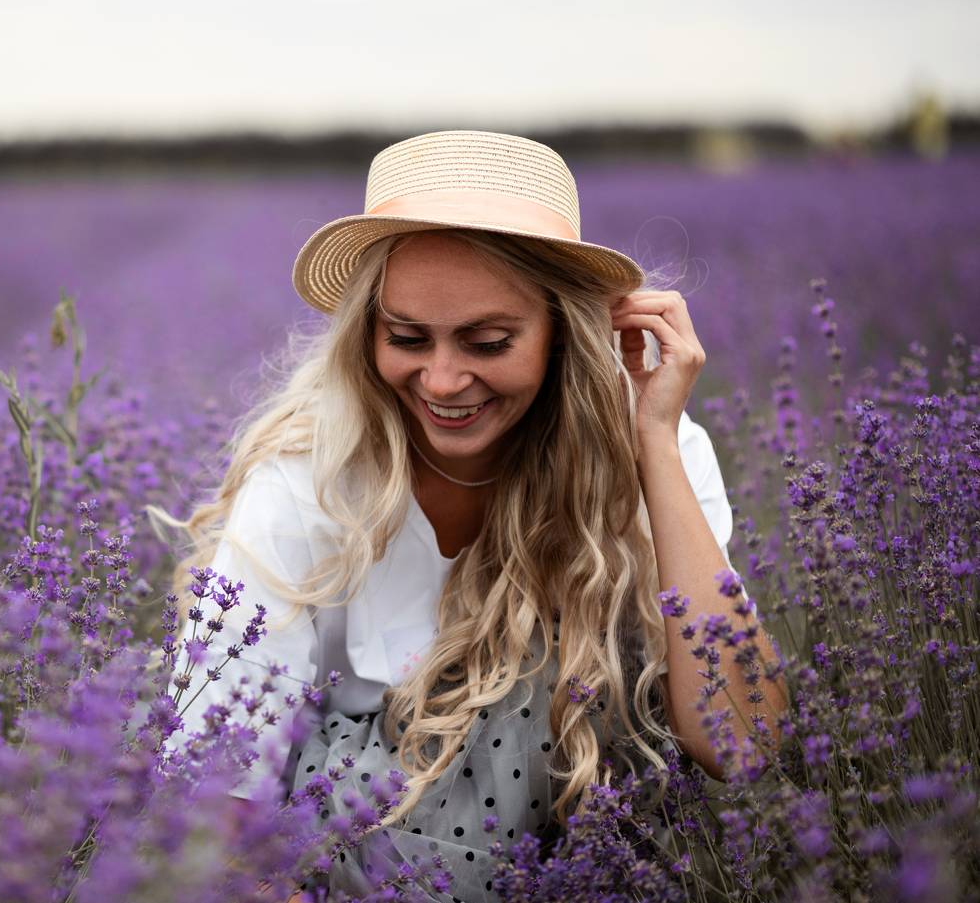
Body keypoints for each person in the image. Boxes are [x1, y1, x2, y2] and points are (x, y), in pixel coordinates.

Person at [152, 130, 786, 902]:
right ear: (368, 332)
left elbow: (743, 741)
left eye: (487, 342)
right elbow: (216, 792)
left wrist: (653, 441)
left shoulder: (662, 451)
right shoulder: (308, 478)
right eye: (407, 337)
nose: (444, 380)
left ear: (561, 332)